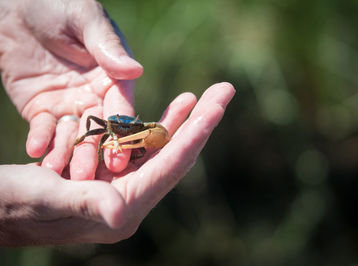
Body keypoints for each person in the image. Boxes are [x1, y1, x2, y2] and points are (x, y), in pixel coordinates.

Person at [0, 0, 235, 246]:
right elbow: (93, 124)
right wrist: (91, 140)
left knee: (140, 148)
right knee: (95, 134)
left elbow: (148, 141)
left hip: (132, 128)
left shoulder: (141, 130)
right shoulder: (108, 125)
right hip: (114, 125)